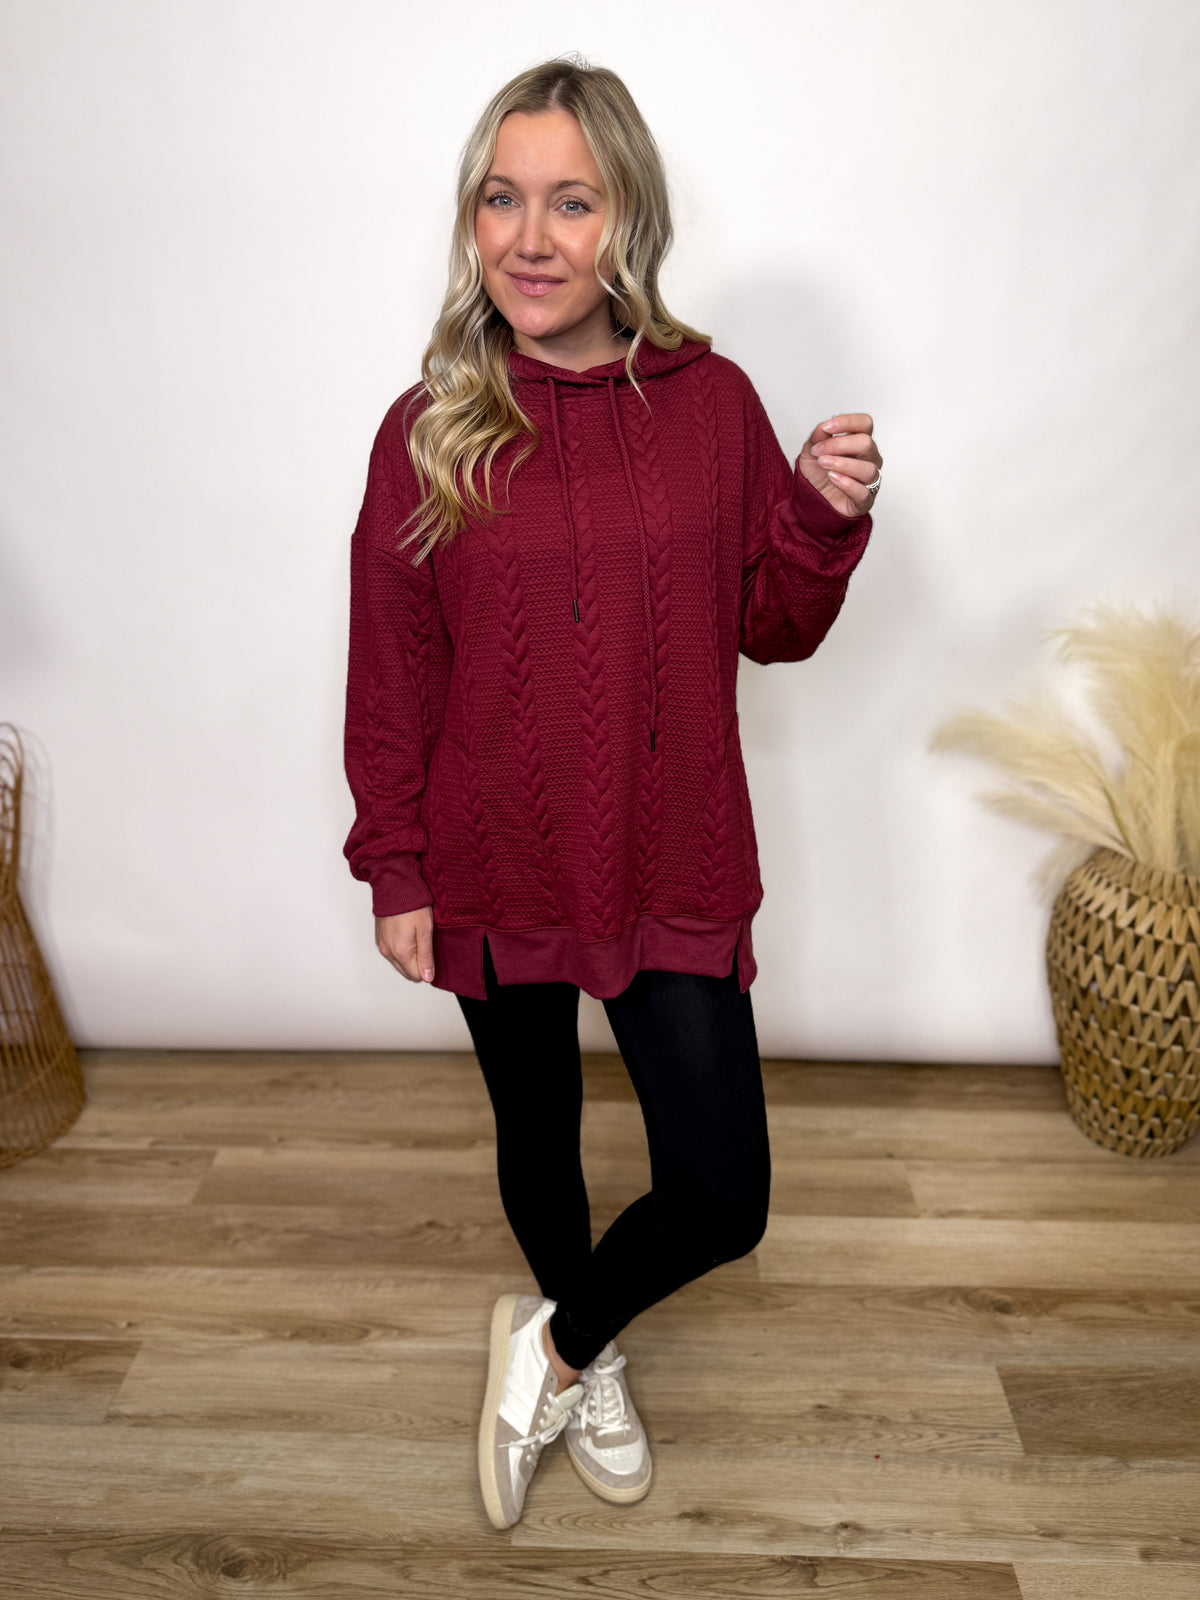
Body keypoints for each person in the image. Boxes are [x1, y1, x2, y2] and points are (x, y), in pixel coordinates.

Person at [342, 55, 881, 1531]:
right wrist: (396, 865)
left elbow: (769, 622)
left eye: (569, 203)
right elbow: (391, 669)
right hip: (495, 852)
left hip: (669, 843)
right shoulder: (429, 425)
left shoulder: (715, 406)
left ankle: (559, 1345)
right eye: (501, 200)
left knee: (722, 1193)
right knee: (540, 1144)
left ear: (625, 217)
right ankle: (593, 1339)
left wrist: (821, 521)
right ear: (470, 222)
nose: (531, 237)